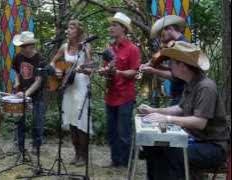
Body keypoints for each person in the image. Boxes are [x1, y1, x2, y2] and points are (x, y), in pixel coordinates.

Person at [138, 41, 230, 180]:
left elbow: (200, 122)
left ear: (182, 66)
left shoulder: (206, 87)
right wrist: (154, 110)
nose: (170, 66)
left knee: (173, 153)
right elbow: (180, 108)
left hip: (212, 147)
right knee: (153, 147)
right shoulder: (191, 83)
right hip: (195, 140)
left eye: (172, 63)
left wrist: (167, 119)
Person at [98, 12, 141, 167]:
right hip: (110, 95)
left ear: (123, 29)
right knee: (111, 131)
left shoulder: (132, 49)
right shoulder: (108, 49)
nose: (111, 28)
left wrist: (118, 73)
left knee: (124, 132)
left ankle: (126, 163)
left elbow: (136, 72)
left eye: (114, 25)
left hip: (125, 96)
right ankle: (115, 160)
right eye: (111, 25)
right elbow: (104, 68)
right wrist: (104, 71)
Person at [50, 20, 93, 167]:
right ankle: (76, 154)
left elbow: (90, 69)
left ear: (78, 31)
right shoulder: (64, 47)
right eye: (67, 27)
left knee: (81, 122)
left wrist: (86, 53)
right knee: (72, 121)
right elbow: (52, 63)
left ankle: (84, 156)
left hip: (82, 87)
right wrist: (56, 70)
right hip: (68, 87)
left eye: (71, 27)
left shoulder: (86, 46)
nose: (68, 30)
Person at [140, 15, 188, 105]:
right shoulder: (175, 45)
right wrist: (160, 66)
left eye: (162, 35)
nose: (161, 39)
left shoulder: (182, 46)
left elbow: (176, 76)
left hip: (184, 95)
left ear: (169, 29)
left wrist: (153, 70)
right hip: (179, 94)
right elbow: (174, 70)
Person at [12, 31, 46, 155]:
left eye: (22, 46)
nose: (20, 49)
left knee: (37, 121)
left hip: (37, 95)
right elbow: (17, 73)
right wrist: (16, 83)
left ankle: (36, 146)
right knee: (20, 121)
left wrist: (26, 94)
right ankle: (20, 146)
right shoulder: (18, 57)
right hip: (21, 93)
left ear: (30, 46)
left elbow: (38, 81)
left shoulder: (40, 59)